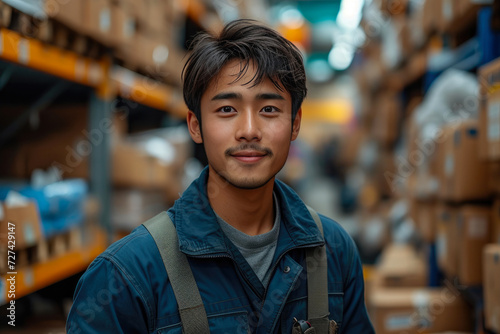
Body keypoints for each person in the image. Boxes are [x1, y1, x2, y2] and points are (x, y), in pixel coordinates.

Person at [66, 19, 374, 333]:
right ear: (195, 125)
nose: (249, 131)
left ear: (295, 123)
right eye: (227, 109)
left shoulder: (334, 252)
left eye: (269, 109)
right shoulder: (126, 276)